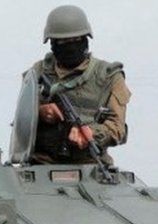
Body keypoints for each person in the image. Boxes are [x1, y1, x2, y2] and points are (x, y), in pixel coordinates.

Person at [30, 5, 131, 165]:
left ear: (85, 39)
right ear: (52, 43)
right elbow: (20, 122)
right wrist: (40, 111)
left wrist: (91, 133)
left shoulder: (109, 76)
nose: (70, 46)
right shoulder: (38, 72)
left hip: (90, 166)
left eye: (76, 40)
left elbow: (117, 128)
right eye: (63, 41)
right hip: (41, 164)